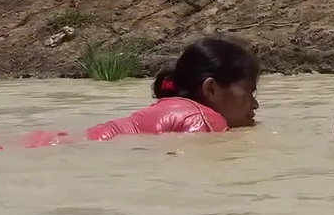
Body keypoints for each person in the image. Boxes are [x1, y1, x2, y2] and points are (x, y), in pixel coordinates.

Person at [84, 36, 259, 141]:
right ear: (211, 89)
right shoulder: (203, 118)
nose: (255, 104)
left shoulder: (170, 107)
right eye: (250, 92)